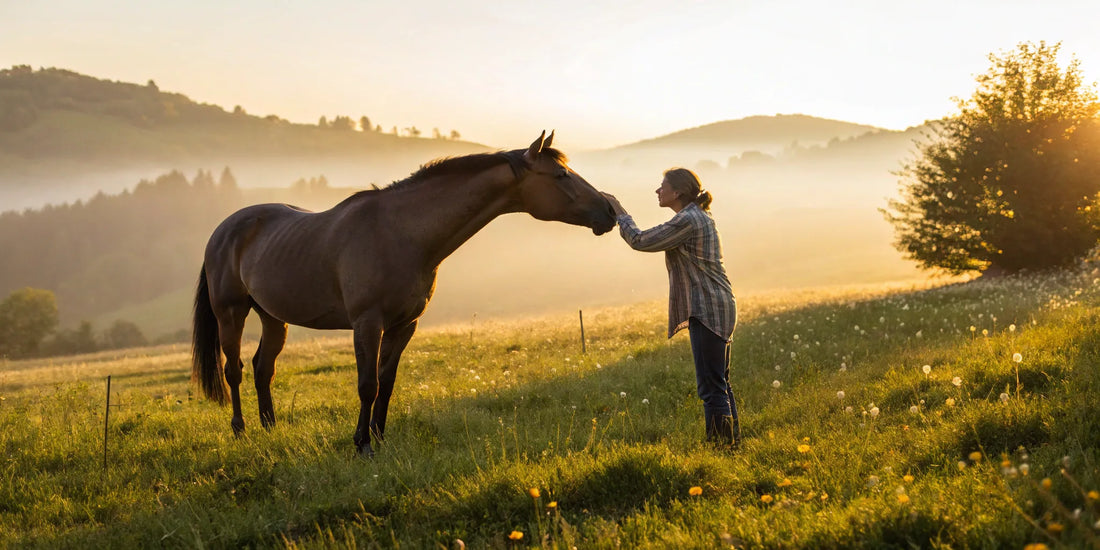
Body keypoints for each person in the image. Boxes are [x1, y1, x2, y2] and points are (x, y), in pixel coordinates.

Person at [602, 168, 740, 447]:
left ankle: (720, 446)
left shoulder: (688, 219)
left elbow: (641, 241)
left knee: (711, 387)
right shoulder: (696, 217)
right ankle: (731, 442)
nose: (658, 190)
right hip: (718, 305)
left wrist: (619, 212)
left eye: (662, 186)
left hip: (707, 308)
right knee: (719, 383)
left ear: (677, 192)